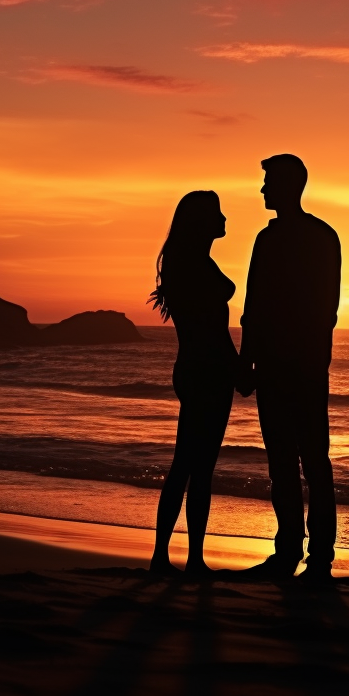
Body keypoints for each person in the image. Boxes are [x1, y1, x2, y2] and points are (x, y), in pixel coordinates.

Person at [237, 155, 341, 582]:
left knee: (305, 458)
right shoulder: (284, 238)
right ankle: (295, 550)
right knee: (291, 459)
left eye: (267, 182)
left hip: (296, 364)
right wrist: (248, 359)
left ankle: (313, 553)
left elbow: (322, 309)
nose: (262, 190)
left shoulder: (313, 237)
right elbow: (254, 308)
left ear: (288, 185)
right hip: (292, 364)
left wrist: (252, 357)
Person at [148, 190, 238, 577]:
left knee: (188, 464)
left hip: (196, 367)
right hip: (207, 369)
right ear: (202, 220)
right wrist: (236, 368)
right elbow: (212, 332)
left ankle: (170, 556)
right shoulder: (193, 267)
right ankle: (186, 558)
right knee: (195, 467)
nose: (225, 219)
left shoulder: (189, 263)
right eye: (217, 213)